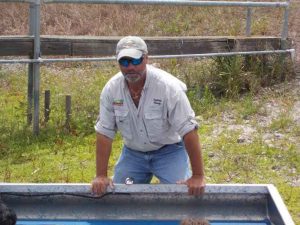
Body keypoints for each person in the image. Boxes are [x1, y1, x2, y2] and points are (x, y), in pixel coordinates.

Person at [91, 36, 205, 196]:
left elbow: (189, 130)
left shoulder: (168, 88)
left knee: (182, 196)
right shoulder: (111, 89)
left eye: (136, 61)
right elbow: (104, 133)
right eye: (124, 62)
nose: (130, 67)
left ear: (146, 59)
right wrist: (101, 175)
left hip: (169, 151)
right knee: (119, 198)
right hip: (133, 154)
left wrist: (198, 176)